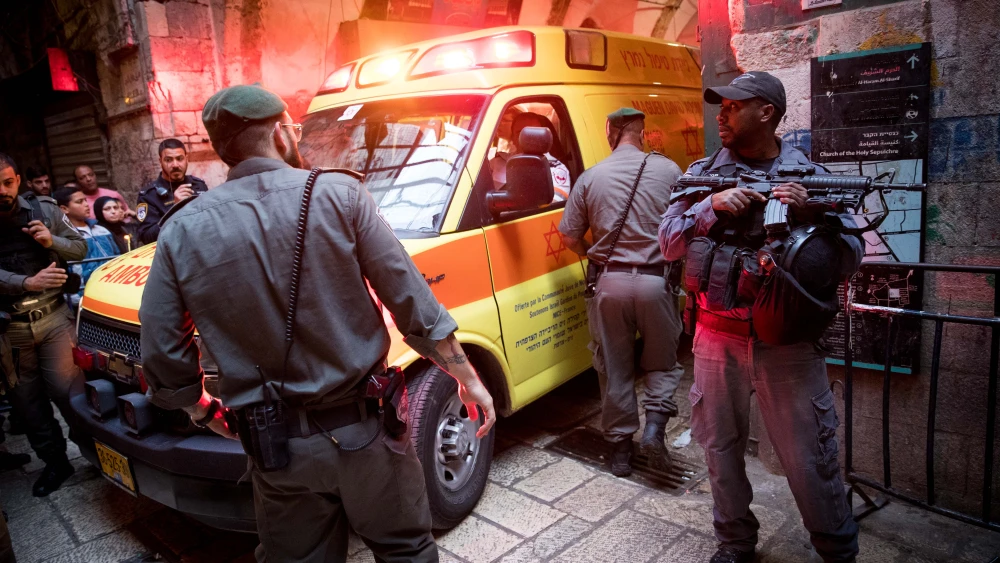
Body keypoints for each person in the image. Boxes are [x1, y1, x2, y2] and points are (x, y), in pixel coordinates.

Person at [139, 84, 496, 562]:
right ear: (283, 134)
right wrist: (467, 380)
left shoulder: (181, 229)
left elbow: (163, 354)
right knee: (406, 551)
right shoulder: (339, 194)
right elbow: (411, 300)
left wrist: (204, 410)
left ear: (222, 151)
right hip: (368, 435)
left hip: (275, 448)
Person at [659, 71, 861, 563]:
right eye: (720, 106)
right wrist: (710, 206)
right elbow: (668, 243)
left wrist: (811, 212)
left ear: (766, 112)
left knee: (809, 458)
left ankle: (837, 550)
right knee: (719, 450)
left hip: (786, 343)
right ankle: (734, 543)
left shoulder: (809, 176)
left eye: (732, 105)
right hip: (715, 335)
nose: (721, 114)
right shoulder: (702, 175)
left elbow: (853, 254)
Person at [559, 107, 685, 477]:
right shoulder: (670, 171)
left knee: (614, 367)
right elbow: (686, 226)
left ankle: (619, 452)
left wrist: (593, 253)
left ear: (611, 131)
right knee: (662, 361)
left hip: (609, 284)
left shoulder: (591, 177)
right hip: (657, 282)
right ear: (642, 133)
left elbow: (568, 237)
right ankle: (654, 431)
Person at [0, 152, 86, 497]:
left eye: (7, 182)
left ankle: (96, 453)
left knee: (72, 395)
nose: (2, 190)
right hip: (11, 330)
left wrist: (53, 242)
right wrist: (25, 283)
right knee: (28, 405)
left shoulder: (45, 210)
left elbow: (79, 248)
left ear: (18, 180)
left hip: (52, 319)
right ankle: (55, 463)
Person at [54, 188, 120, 309]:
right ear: (64, 209)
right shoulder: (64, 237)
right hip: (84, 296)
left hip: (113, 291)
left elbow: (118, 257)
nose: (86, 204)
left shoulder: (102, 230)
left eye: (85, 200)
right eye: (79, 202)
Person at [136, 138, 209, 244]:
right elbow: (147, 237)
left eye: (180, 159)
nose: (175, 165)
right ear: (160, 161)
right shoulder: (149, 195)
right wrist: (174, 209)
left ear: (186, 159)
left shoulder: (199, 185)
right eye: (168, 160)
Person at [491, 111, 571, 201]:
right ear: (512, 138)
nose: (527, 138)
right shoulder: (496, 162)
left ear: (543, 136)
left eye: (532, 132)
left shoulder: (556, 169)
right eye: (519, 133)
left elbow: (552, 205)